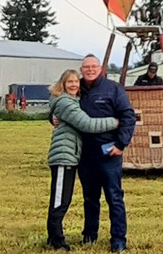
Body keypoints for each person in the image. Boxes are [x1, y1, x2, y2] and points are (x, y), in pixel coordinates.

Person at [46, 69, 120, 251]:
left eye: (76, 82)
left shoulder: (70, 101)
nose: (73, 85)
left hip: (71, 155)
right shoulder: (65, 102)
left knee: (62, 198)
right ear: (62, 84)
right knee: (60, 200)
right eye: (69, 82)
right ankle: (57, 241)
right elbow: (87, 124)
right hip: (64, 156)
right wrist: (116, 122)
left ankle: (53, 237)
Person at [78, 54, 136, 252]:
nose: (90, 70)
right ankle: (89, 235)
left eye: (94, 66)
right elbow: (59, 106)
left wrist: (121, 144)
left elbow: (128, 116)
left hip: (108, 153)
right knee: (89, 198)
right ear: (81, 70)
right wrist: (54, 118)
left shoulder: (113, 89)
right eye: (86, 67)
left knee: (114, 197)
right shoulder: (75, 89)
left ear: (101, 68)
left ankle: (118, 240)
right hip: (85, 154)